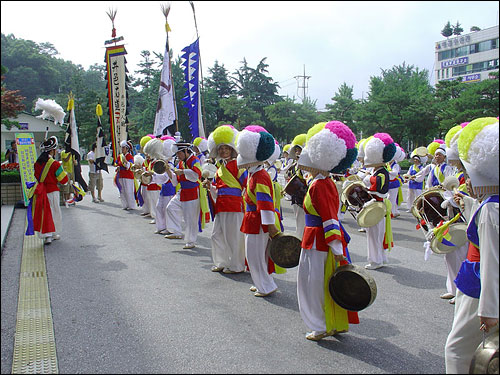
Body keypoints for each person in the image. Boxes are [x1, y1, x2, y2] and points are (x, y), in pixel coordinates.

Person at [296, 120, 360, 341]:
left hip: (318, 241)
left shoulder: (320, 184)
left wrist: (336, 247)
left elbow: (329, 219)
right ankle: (332, 322)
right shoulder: (324, 181)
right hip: (321, 240)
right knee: (321, 282)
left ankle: (320, 325)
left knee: (314, 284)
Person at [444, 117, 498, 374]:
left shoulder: (490, 209)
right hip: (482, 285)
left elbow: (492, 260)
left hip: (479, 286)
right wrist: (468, 204)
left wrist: (489, 309)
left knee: (456, 351)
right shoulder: (491, 205)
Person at [237, 126, 280, 297]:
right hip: (255, 219)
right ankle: (262, 283)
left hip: (257, 221)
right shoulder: (255, 174)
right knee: (257, 256)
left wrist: (270, 226)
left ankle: (265, 285)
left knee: (255, 256)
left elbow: (265, 203)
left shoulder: (259, 176)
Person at [205, 125, 248, 273]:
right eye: (221, 148)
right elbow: (218, 189)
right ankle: (221, 262)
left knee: (234, 237)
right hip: (221, 206)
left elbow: (246, 185)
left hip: (235, 206)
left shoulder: (238, 165)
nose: (223, 151)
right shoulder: (219, 168)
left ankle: (236, 265)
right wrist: (210, 186)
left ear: (232, 149)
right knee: (216, 235)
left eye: (226, 148)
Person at [361, 133, 396, 270]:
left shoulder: (382, 172)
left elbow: (380, 190)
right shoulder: (378, 171)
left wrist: (367, 180)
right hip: (376, 204)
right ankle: (379, 258)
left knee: (375, 234)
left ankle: (376, 260)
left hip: (377, 205)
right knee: (376, 234)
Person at [27, 136, 69, 245]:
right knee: (54, 212)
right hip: (52, 190)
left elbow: (37, 176)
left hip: (40, 192)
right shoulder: (54, 164)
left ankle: (47, 236)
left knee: (44, 213)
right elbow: (63, 179)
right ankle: (53, 234)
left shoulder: (37, 163)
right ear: (52, 150)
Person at [164, 142, 203, 249]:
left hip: (192, 192)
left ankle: (191, 241)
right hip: (183, 191)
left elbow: (197, 175)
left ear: (186, 151)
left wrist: (183, 172)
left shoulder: (195, 160)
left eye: (179, 153)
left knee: (190, 219)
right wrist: (168, 170)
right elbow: (176, 181)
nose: (178, 156)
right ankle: (176, 231)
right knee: (170, 208)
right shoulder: (180, 163)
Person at [115, 140, 136, 210]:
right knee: (122, 191)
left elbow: (129, 166)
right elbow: (116, 163)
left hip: (128, 176)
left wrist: (126, 162)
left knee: (129, 191)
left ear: (127, 149)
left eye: (123, 148)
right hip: (121, 175)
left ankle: (131, 205)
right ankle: (125, 205)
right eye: (122, 148)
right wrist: (117, 166)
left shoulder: (130, 157)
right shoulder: (120, 156)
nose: (122, 149)